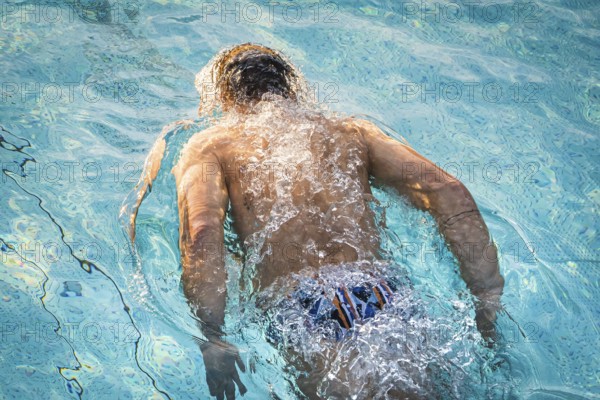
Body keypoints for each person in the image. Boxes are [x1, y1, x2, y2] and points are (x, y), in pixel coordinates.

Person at [126, 43, 504, 399]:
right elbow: (446, 189)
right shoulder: (351, 132)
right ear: (292, 87)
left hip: (304, 308)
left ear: (223, 98)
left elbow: (202, 232)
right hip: (382, 293)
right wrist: (486, 297)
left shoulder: (211, 144)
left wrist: (212, 335)